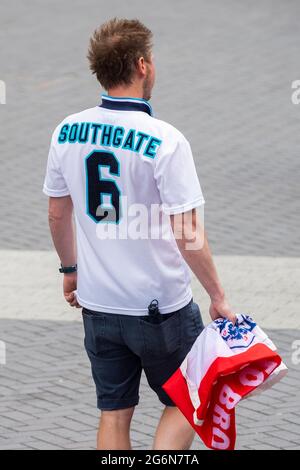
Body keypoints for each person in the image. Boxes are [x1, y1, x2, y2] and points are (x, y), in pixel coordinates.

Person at [43, 17, 235, 450]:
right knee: (189, 399)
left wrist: (71, 270)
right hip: (160, 305)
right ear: (143, 65)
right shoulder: (165, 139)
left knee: (113, 414)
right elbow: (186, 231)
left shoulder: (66, 130)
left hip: (98, 305)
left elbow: (58, 214)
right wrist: (217, 295)